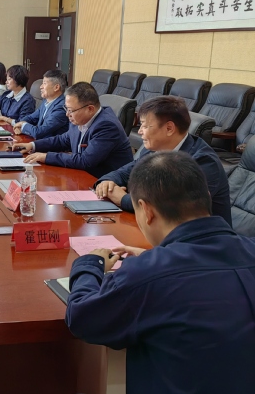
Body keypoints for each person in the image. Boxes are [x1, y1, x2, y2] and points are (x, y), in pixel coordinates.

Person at [65, 152, 255, 393]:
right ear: (206, 197)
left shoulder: (145, 274)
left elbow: (82, 318)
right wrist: (153, 258)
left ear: (146, 210)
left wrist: (89, 264)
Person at [95, 96, 232, 225]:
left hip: (201, 237)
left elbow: (171, 205)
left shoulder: (202, 161)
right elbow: (128, 171)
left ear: (169, 128)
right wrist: (107, 182)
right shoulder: (154, 148)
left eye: (145, 126)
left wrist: (123, 199)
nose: (140, 131)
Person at [13, 82, 133, 178]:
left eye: (70, 110)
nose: (67, 114)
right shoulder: (79, 118)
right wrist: (33, 145)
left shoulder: (107, 126)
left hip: (103, 182)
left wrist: (46, 157)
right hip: (81, 176)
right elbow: (63, 140)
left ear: (90, 109)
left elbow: (85, 161)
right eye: (66, 109)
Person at [12, 69, 69, 140]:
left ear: (56, 87)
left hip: (51, 145)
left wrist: (23, 125)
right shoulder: (46, 101)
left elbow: (39, 132)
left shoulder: (62, 107)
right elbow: (31, 118)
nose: (41, 86)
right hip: (40, 142)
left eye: (44, 83)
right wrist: (19, 125)